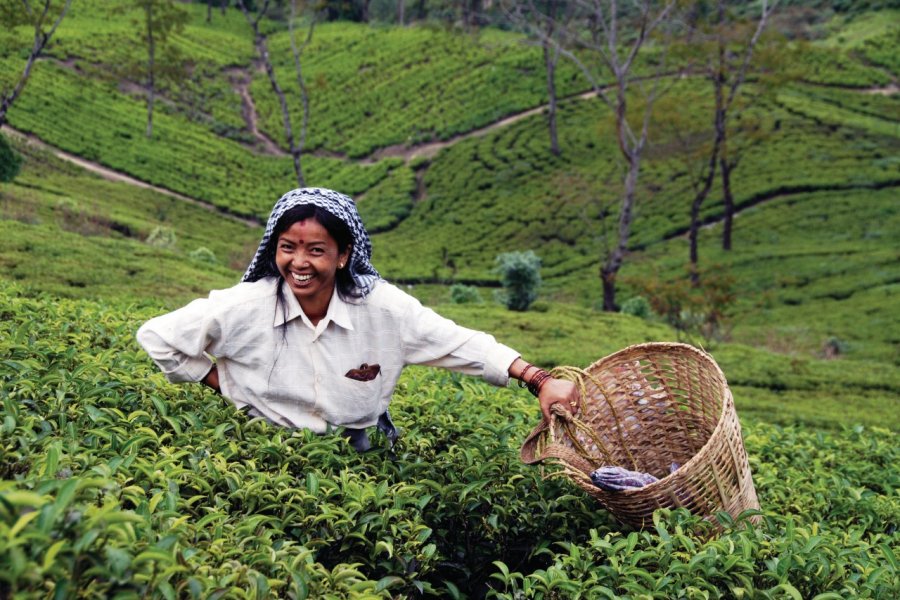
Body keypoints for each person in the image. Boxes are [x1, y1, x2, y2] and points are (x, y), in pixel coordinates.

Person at [137, 187, 579, 451]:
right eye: (288, 247)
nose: (299, 263)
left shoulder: (383, 308)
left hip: (358, 454)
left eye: (316, 250)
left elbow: (462, 343)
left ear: (344, 255)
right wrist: (224, 383)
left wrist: (539, 380)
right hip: (264, 449)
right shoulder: (246, 305)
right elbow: (158, 336)